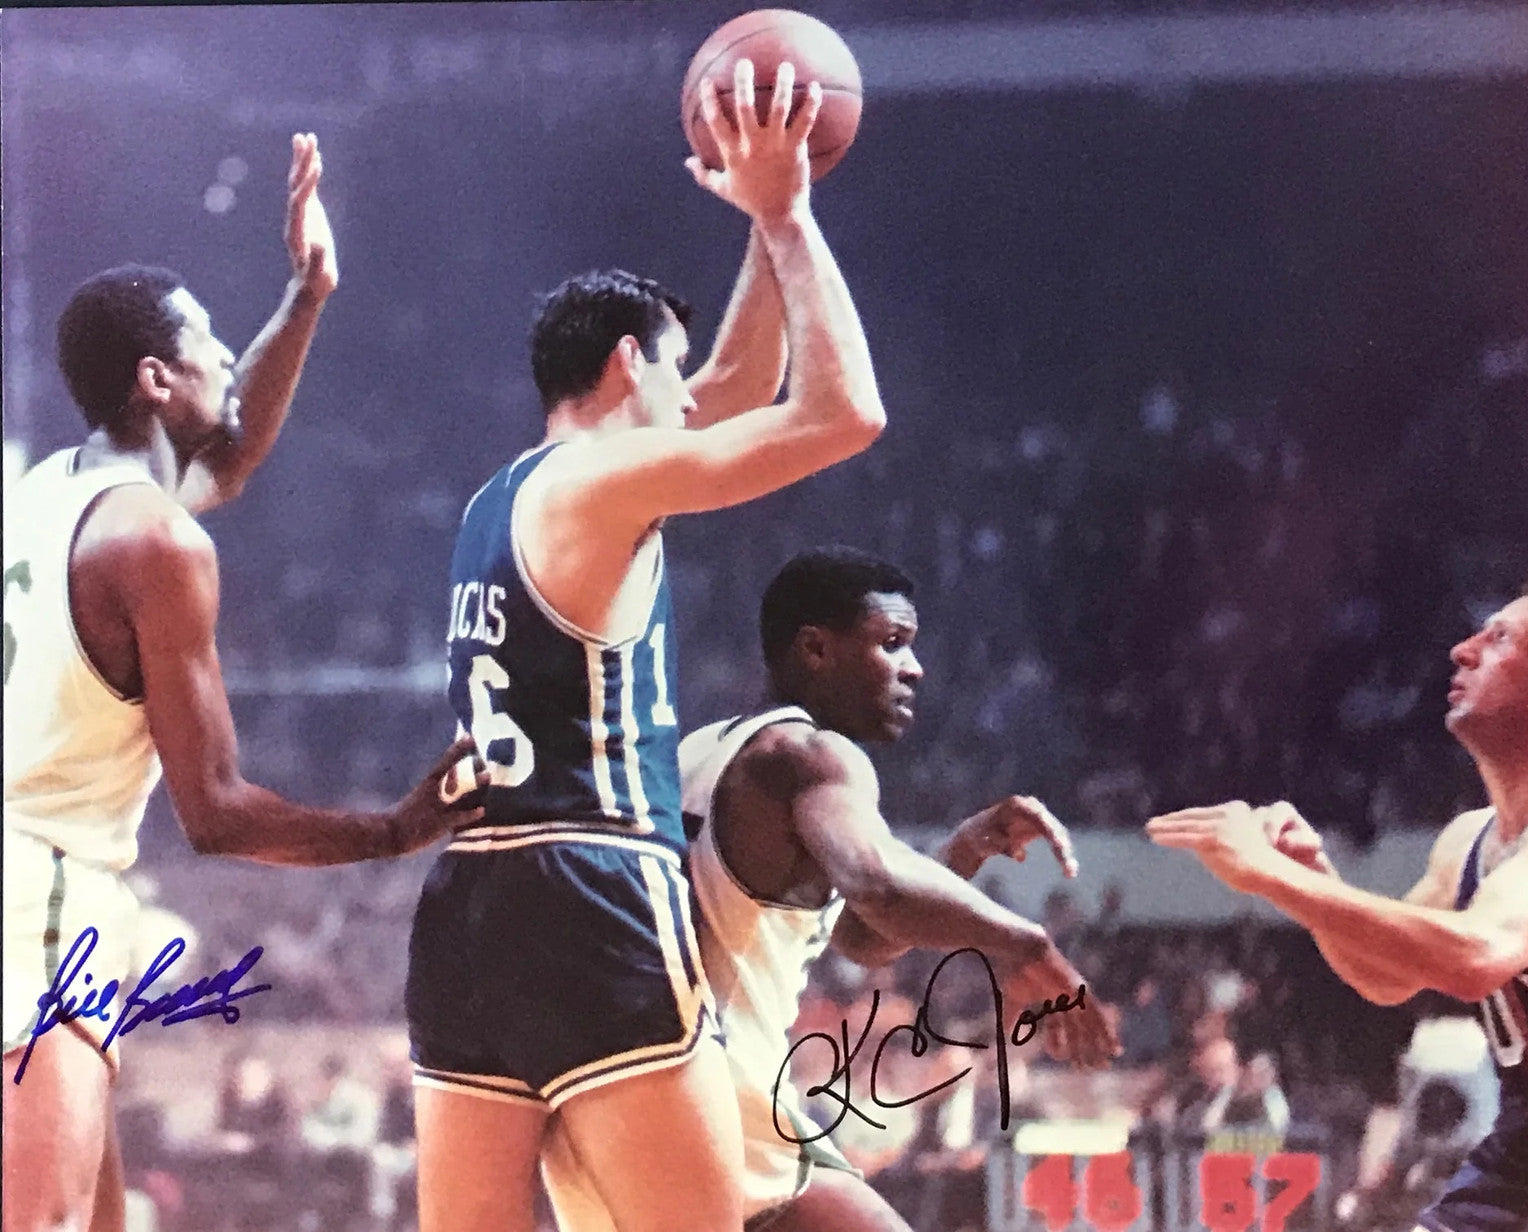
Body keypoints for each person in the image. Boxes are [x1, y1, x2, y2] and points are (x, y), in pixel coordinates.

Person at [403, 62, 887, 1232]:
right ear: (628, 363)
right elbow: (845, 413)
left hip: (467, 905)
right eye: (668, 366)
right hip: (589, 885)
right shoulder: (604, 480)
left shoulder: (506, 494)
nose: (693, 392)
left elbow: (733, 385)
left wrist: (759, 209)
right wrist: (789, 215)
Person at [2, 133, 485, 1232]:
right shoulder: (156, 543)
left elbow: (229, 456)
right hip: (42, 886)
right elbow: (215, 814)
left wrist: (307, 295)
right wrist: (395, 830)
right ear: (156, 379)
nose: (227, 355)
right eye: (208, 342)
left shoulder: (47, 490)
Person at [541, 546, 1119, 1232]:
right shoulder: (813, 754)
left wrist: (963, 850)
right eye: (892, 643)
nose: (914, 667)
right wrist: (1027, 943)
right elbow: (876, 886)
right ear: (816, 649)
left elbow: (862, 936)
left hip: (609, 1105)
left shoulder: (703, 749)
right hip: (708, 1094)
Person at [1148, 568, 1528, 1232]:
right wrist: (1314, 881)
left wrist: (1267, 876)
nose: (1463, 650)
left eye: (1499, 639)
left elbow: (1479, 954)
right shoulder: (1467, 840)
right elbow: (1383, 978)